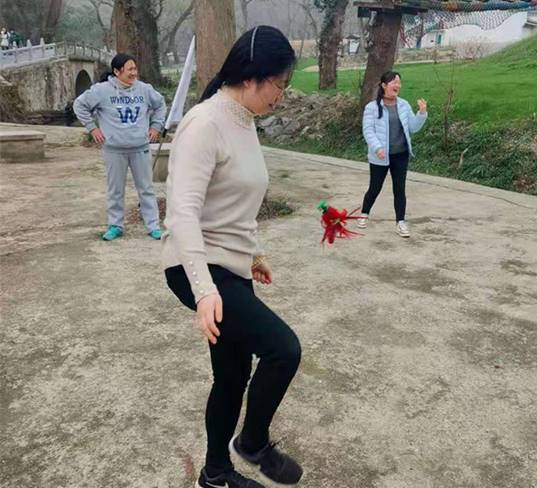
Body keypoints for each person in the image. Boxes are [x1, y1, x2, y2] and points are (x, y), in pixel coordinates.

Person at [163, 26, 303, 488]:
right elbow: (182, 212)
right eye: (279, 83)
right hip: (197, 266)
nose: (281, 95)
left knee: (232, 374)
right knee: (283, 349)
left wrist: (253, 253)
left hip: (231, 265)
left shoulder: (243, 120)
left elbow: (237, 203)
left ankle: (215, 475)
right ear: (251, 76)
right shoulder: (204, 123)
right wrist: (205, 291)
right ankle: (252, 443)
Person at [74, 53, 166, 241]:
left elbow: (160, 105)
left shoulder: (144, 89)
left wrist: (156, 126)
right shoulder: (101, 91)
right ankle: (115, 225)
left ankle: (153, 225)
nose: (134, 73)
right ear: (117, 72)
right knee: (115, 190)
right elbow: (79, 105)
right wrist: (92, 128)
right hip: (114, 149)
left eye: (135, 69)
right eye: (129, 69)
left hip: (140, 147)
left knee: (146, 188)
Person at [358, 70, 428, 238]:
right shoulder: (372, 107)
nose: (398, 85)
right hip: (380, 156)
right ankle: (364, 213)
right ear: (384, 85)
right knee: (375, 188)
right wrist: (378, 148)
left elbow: (413, 128)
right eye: (394, 82)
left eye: (399, 82)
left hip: (400, 155)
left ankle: (401, 222)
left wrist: (421, 113)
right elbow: (368, 131)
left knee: (399, 189)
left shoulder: (403, 105)